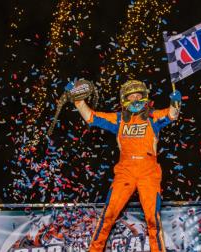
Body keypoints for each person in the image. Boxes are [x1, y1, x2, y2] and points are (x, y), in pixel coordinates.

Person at [66, 79, 181, 251]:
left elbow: (172, 115)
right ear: (124, 99)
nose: (135, 99)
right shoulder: (119, 119)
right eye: (131, 96)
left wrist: (175, 101)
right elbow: (91, 117)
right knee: (108, 214)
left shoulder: (153, 117)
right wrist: (78, 99)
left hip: (148, 172)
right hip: (125, 172)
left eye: (138, 95)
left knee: (152, 218)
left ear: (145, 97)